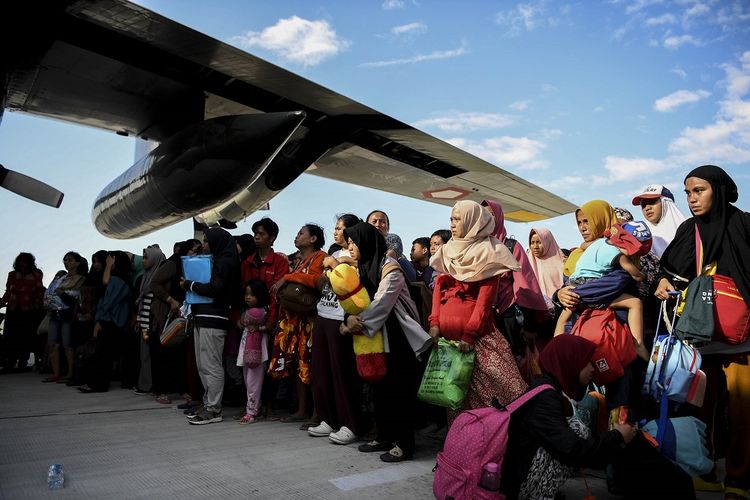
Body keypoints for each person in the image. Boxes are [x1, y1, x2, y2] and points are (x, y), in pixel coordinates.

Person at [501, 334, 695, 499]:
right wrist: (618, 436)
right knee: (579, 429)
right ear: (571, 360)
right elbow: (573, 449)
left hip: (519, 472)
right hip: (517, 484)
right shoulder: (545, 397)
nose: (593, 369)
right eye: (587, 362)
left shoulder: (549, 388)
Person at [655, 165, 750, 499]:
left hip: (743, 339)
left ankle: (739, 479)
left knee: (742, 412)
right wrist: (662, 282)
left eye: (699, 190)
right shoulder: (688, 230)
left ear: (719, 190)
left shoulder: (744, 224)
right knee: (701, 412)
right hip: (703, 338)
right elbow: (669, 273)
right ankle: (705, 472)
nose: (693, 199)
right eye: (688, 193)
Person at [341, 222, 432, 462]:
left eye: (354, 242)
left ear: (367, 243)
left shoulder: (390, 268)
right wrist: (348, 317)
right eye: (348, 243)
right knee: (380, 390)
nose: (350, 247)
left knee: (398, 390)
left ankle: (404, 443)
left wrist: (354, 322)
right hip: (377, 337)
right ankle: (384, 436)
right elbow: (354, 299)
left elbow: (382, 302)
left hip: (399, 337)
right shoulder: (362, 267)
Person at [429, 200, 527, 415]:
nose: (452, 224)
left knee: (499, 395)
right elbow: (439, 289)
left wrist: (470, 335)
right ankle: (462, 442)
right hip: (449, 341)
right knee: (456, 396)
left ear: (473, 222)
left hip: (478, 340)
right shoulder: (447, 251)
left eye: (458, 219)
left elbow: (484, 302)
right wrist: (434, 323)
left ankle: (495, 441)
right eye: (451, 219)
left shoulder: (491, 251)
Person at [553, 222, 651, 362]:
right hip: (593, 287)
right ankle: (639, 345)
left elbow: (583, 245)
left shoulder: (599, 242)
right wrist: (643, 276)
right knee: (635, 303)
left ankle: (557, 349)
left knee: (564, 316)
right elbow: (634, 274)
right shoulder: (618, 254)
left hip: (575, 284)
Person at [308, 214, 363, 444]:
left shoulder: (356, 254)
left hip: (341, 318)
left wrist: (338, 265)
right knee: (321, 371)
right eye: (336, 227)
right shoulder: (332, 253)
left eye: (341, 228)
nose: (336, 232)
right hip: (323, 314)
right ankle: (327, 418)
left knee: (342, 373)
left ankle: (349, 423)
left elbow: (358, 279)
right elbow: (322, 283)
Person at [181, 227, 242, 425]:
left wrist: (190, 285)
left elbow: (216, 288)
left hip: (214, 318)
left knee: (211, 365)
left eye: (207, 241)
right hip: (203, 317)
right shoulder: (219, 260)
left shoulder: (225, 262)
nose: (203, 245)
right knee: (203, 365)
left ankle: (214, 409)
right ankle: (208, 403)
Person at [269, 224, 326, 424]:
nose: (297, 235)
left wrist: (287, 276)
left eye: (301, 233)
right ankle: (302, 410)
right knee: (298, 365)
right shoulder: (299, 261)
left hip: (311, 320)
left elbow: (317, 280)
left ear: (313, 239)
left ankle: (317, 413)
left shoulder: (320, 257)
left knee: (311, 366)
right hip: (295, 321)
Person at [80, 252, 132, 393]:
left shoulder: (118, 281)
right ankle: (97, 383)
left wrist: (98, 321)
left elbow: (107, 300)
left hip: (110, 322)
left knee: (102, 355)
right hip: (110, 321)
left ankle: (98, 384)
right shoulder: (122, 280)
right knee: (103, 355)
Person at [43, 252, 87, 383]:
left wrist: (61, 295)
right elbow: (50, 293)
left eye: (70, 260)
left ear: (77, 263)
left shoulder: (80, 279)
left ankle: (70, 373)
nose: (67, 262)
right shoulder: (61, 279)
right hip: (54, 313)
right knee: (52, 345)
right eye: (65, 260)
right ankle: (56, 373)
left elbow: (75, 300)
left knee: (68, 345)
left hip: (67, 314)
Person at [0, 253, 44, 372]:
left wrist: (38, 309)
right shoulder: (12, 275)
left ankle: (22, 363)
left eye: (25, 262)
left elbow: (39, 293)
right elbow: (8, 291)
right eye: (20, 262)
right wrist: (2, 302)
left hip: (28, 311)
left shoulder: (36, 276)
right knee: (10, 336)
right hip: (13, 309)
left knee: (25, 336)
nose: (22, 264)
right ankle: (9, 362)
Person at [235, 279, 270, 425]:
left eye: (252, 294)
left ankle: (251, 412)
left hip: (255, 351)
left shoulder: (257, 312)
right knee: (250, 381)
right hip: (248, 350)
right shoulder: (256, 311)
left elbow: (244, 319)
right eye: (246, 294)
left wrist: (241, 320)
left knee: (252, 382)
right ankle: (255, 408)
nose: (247, 297)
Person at [632, 184, 687, 258]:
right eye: (643, 205)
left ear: (666, 203)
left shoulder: (688, 232)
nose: (647, 208)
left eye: (652, 202)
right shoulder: (642, 238)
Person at [527, 227, 566, 312]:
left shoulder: (562, 263)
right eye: (532, 243)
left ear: (547, 242)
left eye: (539, 242)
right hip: (534, 311)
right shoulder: (527, 263)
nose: (535, 247)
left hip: (559, 309)